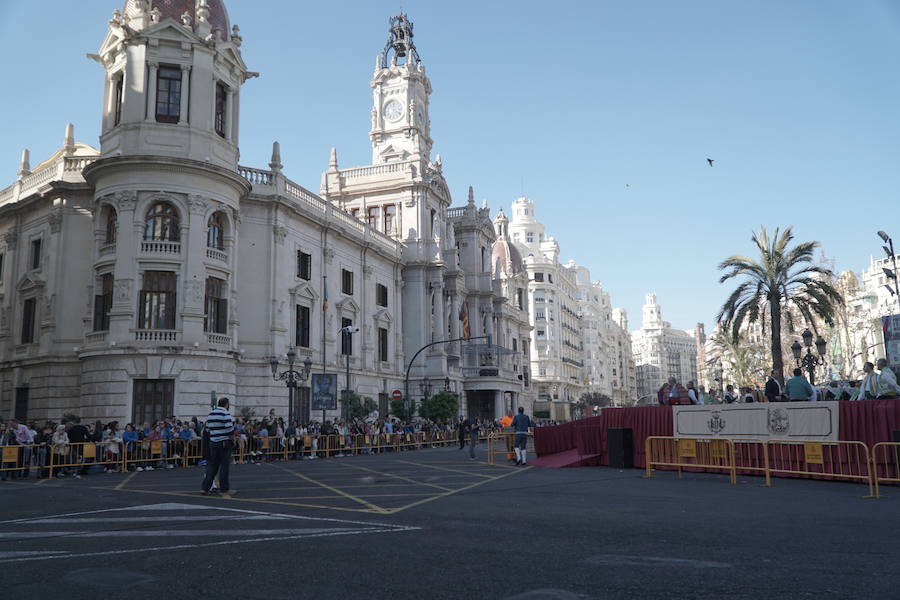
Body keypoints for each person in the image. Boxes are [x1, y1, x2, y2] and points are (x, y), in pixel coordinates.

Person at [201, 397, 234, 496]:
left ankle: (205, 488)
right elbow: (230, 429)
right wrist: (233, 440)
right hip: (224, 443)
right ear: (227, 404)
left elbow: (207, 428)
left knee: (212, 466)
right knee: (224, 466)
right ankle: (224, 489)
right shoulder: (225, 413)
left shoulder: (211, 413)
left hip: (213, 443)